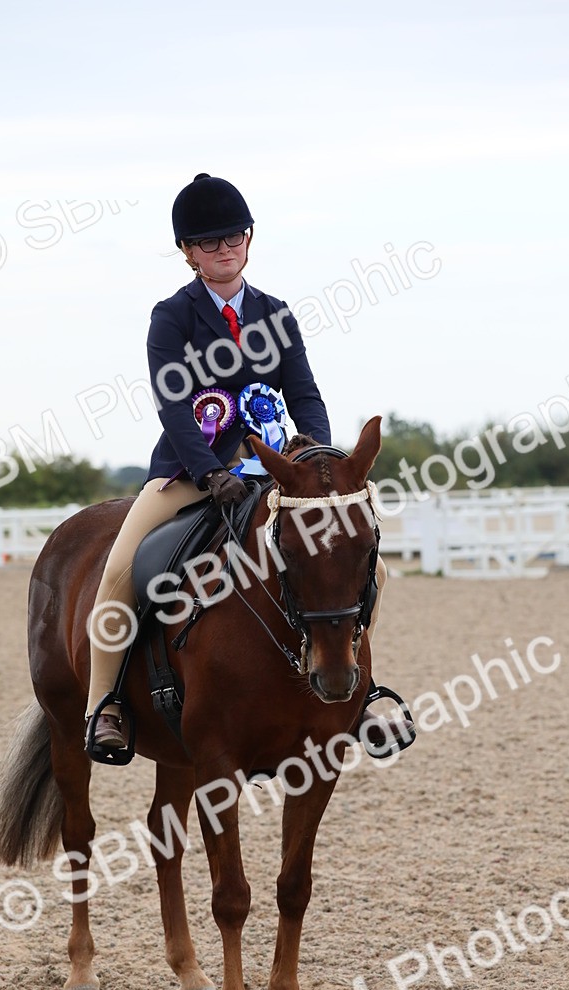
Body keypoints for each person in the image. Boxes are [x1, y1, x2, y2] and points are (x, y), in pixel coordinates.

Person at [86, 173, 389, 749]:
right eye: (208, 244)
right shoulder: (171, 317)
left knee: (369, 564)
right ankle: (107, 703)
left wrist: (315, 459)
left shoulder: (277, 314)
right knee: (121, 570)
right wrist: (211, 471)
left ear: (249, 239)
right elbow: (174, 406)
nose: (224, 251)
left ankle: (362, 689)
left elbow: (304, 394)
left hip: (280, 475)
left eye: (233, 239)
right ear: (187, 252)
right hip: (192, 474)